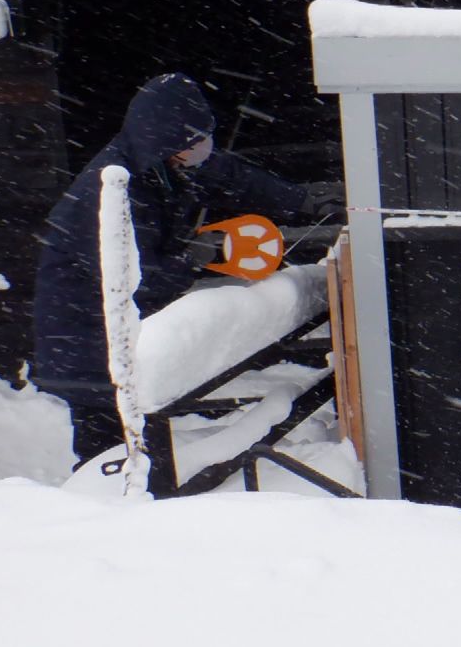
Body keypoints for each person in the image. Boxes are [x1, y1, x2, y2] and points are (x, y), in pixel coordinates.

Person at [32, 73, 342, 466]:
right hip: (84, 330)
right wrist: (191, 260)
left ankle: (135, 498)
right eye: (192, 143)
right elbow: (137, 280)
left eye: (203, 138)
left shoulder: (172, 163)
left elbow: (233, 176)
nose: (203, 150)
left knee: (134, 430)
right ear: (164, 143)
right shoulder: (114, 192)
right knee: (108, 438)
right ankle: (107, 507)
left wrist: (304, 201)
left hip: (114, 328)